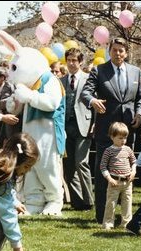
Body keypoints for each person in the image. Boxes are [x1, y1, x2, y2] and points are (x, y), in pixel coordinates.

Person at [80, 37, 141, 224]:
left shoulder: (136, 72)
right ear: (110, 51)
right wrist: (92, 101)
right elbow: (86, 93)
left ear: (126, 52)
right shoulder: (99, 71)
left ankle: (125, 217)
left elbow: (140, 97)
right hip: (105, 130)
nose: (118, 53)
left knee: (126, 173)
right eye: (115, 50)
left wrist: (139, 113)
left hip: (128, 131)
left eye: (121, 50)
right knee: (103, 173)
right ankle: (102, 216)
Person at [61, 48, 94, 211]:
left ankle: (88, 200)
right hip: (66, 127)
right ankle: (77, 201)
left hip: (84, 125)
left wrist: (94, 123)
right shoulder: (61, 80)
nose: (72, 63)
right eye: (69, 60)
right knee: (68, 165)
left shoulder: (88, 79)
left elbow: (95, 102)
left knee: (81, 162)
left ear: (80, 62)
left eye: (75, 60)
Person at [100, 122, 136, 230]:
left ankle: (126, 223)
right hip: (114, 182)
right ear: (112, 137)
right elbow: (103, 166)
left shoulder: (128, 149)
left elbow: (134, 161)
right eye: (120, 138)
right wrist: (109, 178)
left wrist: (133, 172)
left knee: (127, 203)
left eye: (125, 138)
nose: (123, 141)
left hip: (127, 182)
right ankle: (108, 223)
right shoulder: (109, 151)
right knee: (111, 204)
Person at [0, 68, 22, 148]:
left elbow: (3, 103)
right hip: (4, 119)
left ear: (2, 78)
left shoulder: (9, 86)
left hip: (10, 119)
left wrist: (10, 102)